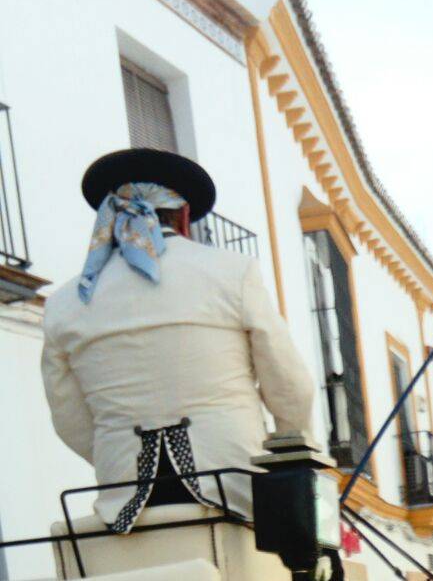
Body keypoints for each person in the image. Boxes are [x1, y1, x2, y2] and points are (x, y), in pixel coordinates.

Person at [41, 148, 316, 534]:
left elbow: (68, 417)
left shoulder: (65, 302)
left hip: (123, 497)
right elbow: (289, 385)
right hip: (235, 487)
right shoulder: (232, 272)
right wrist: (292, 452)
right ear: (185, 216)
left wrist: (116, 452)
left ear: (111, 217)